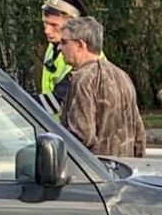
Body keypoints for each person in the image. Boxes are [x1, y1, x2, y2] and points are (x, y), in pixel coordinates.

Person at [59, 16, 146, 158]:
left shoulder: (82, 79)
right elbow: (139, 135)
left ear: (81, 45)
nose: (59, 47)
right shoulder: (123, 76)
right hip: (124, 169)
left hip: (95, 171)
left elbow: (82, 136)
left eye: (64, 42)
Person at [38, 0, 88, 117]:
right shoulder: (54, 46)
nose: (47, 31)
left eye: (54, 25)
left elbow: (54, 103)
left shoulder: (84, 55)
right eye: (45, 23)